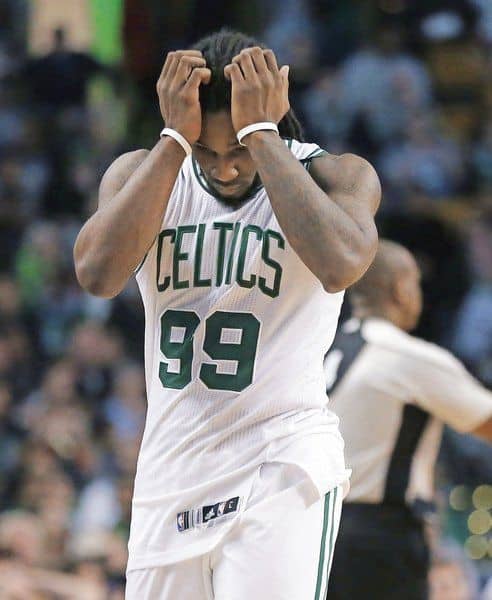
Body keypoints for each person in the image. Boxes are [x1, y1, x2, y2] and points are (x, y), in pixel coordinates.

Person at [73, 29, 380, 600]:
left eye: (238, 150)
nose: (227, 168)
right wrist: (172, 142)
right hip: (172, 473)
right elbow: (96, 275)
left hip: (281, 464)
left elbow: (341, 264)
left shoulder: (334, 174)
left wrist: (263, 133)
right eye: (208, 152)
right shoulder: (143, 173)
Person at [324, 239, 492, 600]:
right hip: (379, 536)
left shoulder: (326, 350)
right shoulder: (405, 356)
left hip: (317, 530)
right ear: (401, 289)